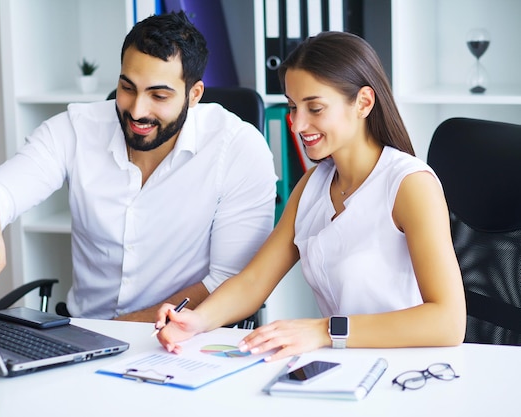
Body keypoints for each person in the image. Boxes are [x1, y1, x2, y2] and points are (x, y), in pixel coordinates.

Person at [0, 11, 277, 321]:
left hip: (184, 340)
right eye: (127, 88)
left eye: (158, 96)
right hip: (83, 337)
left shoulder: (238, 148)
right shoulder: (76, 128)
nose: (137, 110)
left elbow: (229, 281)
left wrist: (117, 335)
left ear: (194, 95)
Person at [155, 31, 466, 361]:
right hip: (342, 363)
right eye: (292, 106)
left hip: (410, 368)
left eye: (315, 108)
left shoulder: (409, 185)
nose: (297, 124)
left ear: (363, 102)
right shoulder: (313, 184)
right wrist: (197, 320)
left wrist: (324, 330)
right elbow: (254, 281)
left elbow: (448, 322)